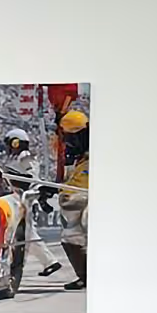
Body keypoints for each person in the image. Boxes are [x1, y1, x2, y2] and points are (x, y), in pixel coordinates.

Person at [4, 127, 61, 278]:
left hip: (27, 199)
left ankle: (48, 262)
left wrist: (11, 178)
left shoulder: (25, 157)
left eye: (9, 143)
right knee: (27, 234)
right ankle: (49, 262)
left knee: (27, 233)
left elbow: (31, 178)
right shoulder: (15, 158)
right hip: (19, 199)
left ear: (16, 142)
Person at [56, 111, 90, 291]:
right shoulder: (79, 159)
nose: (69, 143)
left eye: (71, 138)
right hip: (76, 204)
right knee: (70, 238)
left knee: (77, 236)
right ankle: (85, 276)